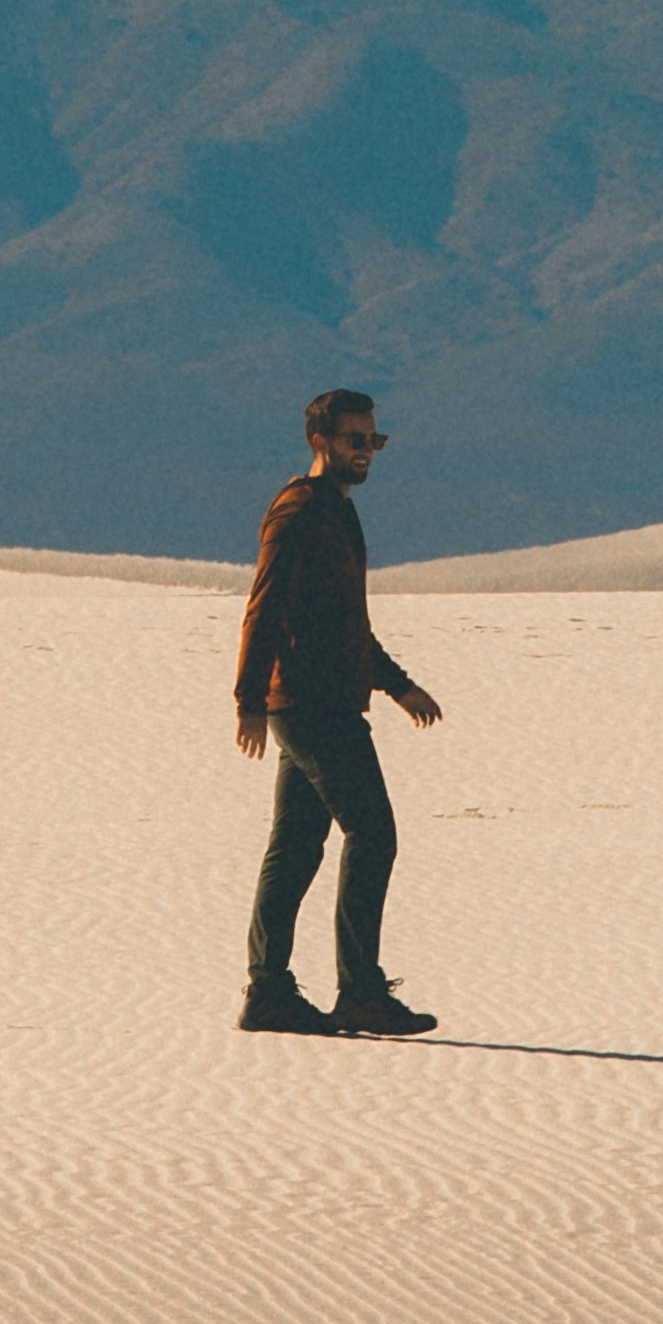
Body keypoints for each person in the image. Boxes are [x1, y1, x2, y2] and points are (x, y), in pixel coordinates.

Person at [233, 384, 446, 1038]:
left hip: (317, 703)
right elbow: (262, 606)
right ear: (321, 442)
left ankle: (268, 992)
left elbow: (344, 622)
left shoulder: (335, 511)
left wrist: (396, 685)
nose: (368, 452)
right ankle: (358, 991)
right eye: (356, 440)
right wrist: (247, 701)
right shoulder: (298, 512)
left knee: (296, 846)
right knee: (372, 833)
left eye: (373, 441)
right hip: (310, 708)